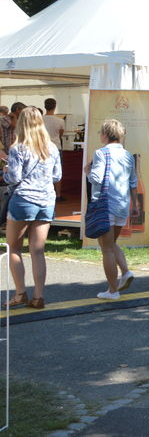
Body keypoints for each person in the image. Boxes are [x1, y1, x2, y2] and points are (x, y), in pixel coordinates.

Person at [1, 107, 62, 309]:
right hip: (46, 200)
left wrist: (6, 170)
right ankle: (38, 296)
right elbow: (57, 176)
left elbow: (14, 178)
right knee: (37, 250)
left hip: (24, 199)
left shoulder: (18, 148)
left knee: (14, 248)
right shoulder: (51, 147)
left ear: (21, 124)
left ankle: (20, 293)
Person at [87, 119, 139, 300]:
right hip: (122, 205)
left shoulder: (101, 153)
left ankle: (112, 290)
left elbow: (96, 178)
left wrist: (88, 171)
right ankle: (125, 272)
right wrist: (135, 205)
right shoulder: (127, 155)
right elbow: (133, 182)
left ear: (105, 134)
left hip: (105, 205)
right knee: (111, 244)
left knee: (106, 248)